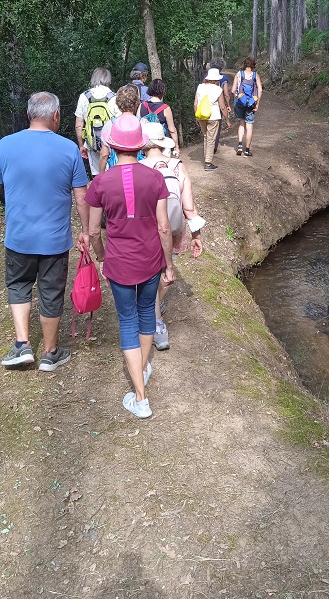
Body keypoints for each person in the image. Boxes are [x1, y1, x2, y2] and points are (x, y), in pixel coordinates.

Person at [85, 114, 175, 419]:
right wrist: (169, 264)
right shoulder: (155, 179)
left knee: (127, 321)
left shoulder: (100, 182)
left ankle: (140, 396)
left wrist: (100, 257)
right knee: (147, 312)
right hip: (150, 259)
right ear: (140, 146)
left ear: (111, 145)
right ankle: (143, 367)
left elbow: (94, 231)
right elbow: (164, 227)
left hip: (120, 263)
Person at [0, 92, 90, 372]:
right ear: (55, 116)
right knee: (51, 293)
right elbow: (81, 195)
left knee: (18, 286)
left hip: (18, 237)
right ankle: (50, 353)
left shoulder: (5, 145)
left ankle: (22, 345)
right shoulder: (68, 149)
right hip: (54, 240)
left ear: (29, 114)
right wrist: (87, 230)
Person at [140, 120, 204, 350]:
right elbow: (188, 207)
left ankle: (155, 320)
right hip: (174, 229)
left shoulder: (139, 169)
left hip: (146, 230)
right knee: (166, 272)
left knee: (151, 275)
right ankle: (155, 312)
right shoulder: (178, 166)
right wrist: (197, 234)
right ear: (161, 141)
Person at [75, 67, 118, 177]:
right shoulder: (113, 97)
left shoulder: (84, 96)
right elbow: (118, 123)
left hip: (91, 143)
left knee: (98, 175)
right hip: (111, 143)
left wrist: (81, 145)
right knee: (113, 175)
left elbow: (79, 125)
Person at [98, 83, 141, 172]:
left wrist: (101, 175)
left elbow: (104, 155)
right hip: (139, 171)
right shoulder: (143, 123)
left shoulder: (109, 124)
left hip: (116, 172)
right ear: (136, 102)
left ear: (118, 103)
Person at [194, 67, 231, 171]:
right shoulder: (218, 90)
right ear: (217, 79)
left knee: (206, 136)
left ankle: (207, 158)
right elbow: (222, 107)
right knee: (211, 139)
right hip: (213, 117)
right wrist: (227, 120)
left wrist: (196, 116)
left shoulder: (200, 87)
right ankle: (208, 163)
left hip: (201, 116)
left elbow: (195, 104)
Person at [231, 56, 263, 157]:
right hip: (251, 104)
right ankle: (247, 150)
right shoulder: (255, 75)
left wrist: (237, 99)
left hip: (240, 102)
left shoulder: (239, 74)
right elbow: (260, 90)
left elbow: (232, 90)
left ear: (244, 65)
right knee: (249, 128)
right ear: (253, 65)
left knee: (241, 124)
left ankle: (240, 145)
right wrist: (256, 103)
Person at [139, 78, 180, 155]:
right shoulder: (166, 108)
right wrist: (176, 147)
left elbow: (139, 125)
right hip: (162, 143)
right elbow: (172, 130)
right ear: (163, 91)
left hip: (146, 144)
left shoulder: (142, 105)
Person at [203, 57, 231, 154]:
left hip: (204, 106)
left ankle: (206, 148)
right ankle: (213, 148)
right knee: (216, 129)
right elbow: (226, 94)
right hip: (216, 107)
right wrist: (228, 105)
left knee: (205, 129)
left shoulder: (205, 77)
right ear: (221, 67)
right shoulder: (223, 78)